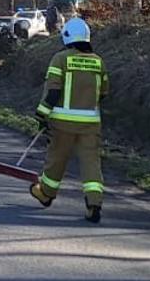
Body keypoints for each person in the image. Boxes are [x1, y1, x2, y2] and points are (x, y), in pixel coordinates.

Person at [28, 17, 109, 223]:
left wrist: (41, 113)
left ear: (67, 37)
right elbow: (104, 92)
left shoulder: (61, 59)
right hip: (91, 123)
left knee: (57, 159)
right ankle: (94, 203)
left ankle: (46, 194)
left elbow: (53, 91)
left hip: (62, 123)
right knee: (91, 163)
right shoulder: (98, 62)